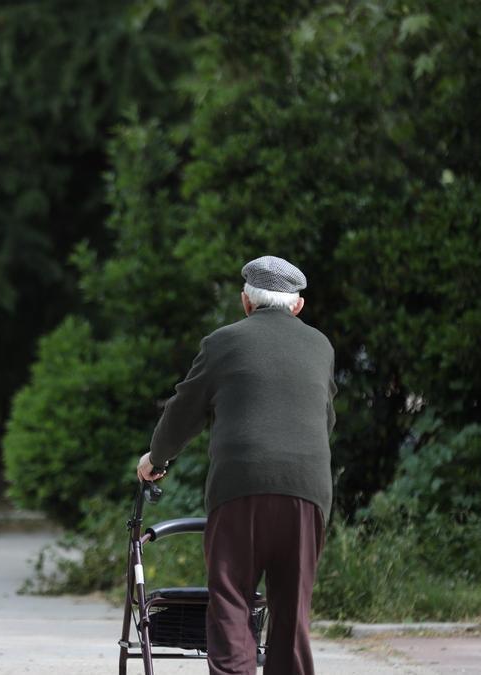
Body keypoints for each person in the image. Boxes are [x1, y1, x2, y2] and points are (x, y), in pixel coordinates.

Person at [137, 256, 335, 675]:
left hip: (239, 487)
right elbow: (327, 420)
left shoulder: (222, 343)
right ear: (297, 306)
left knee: (230, 600)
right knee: (291, 610)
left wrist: (156, 459)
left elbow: (182, 413)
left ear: (246, 302)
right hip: (306, 490)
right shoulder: (320, 346)